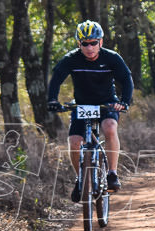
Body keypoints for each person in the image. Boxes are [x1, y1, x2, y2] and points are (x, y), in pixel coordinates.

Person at [47, 20, 133, 202]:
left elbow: (126, 79)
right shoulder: (71, 59)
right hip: (82, 105)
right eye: (85, 44)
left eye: (93, 43)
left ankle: (112, 173)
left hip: (106, 104)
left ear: (100, 42)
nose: (89, 47)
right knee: (74, 141)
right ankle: (81, 179)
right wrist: (53, 100)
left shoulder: (111, 58)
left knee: (110, 127)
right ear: (79, 44)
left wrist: (124, 102)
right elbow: (56, 79)